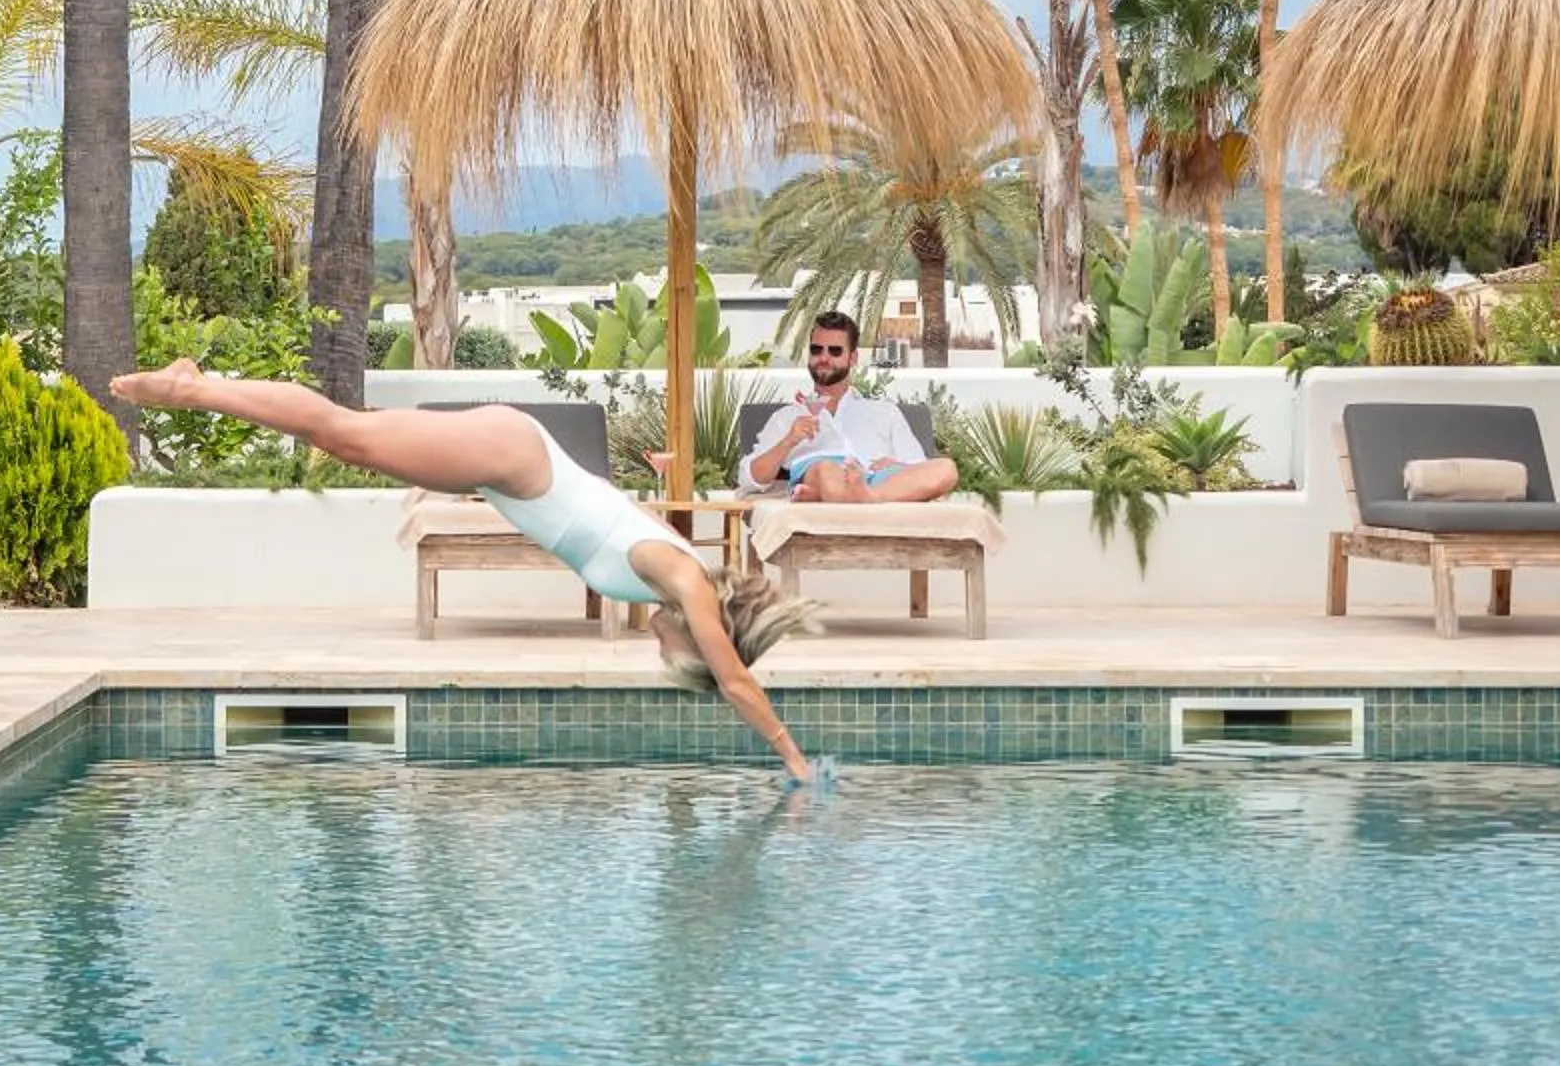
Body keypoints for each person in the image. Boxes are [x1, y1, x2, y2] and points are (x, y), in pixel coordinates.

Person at [112, 360, 824, 782]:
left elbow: (608, 515)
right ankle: (196, 388)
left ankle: (202, 387)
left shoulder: (667, 576)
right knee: (343, 431)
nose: (665, 658)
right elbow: (736, 681)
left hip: (509, 468)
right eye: (682, 661)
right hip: (514, 459)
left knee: (347, 435)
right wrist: (792, 758)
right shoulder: (686, 582)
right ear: (705, 641)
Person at [740, 311, 962, 502]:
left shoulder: (884, 412)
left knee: (946, 468)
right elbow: (750, 479)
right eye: (817, 350)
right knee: (825, 468)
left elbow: (918, 467)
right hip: (824, 475)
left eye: (835, 351)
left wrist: (897, 464)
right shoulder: (788, 417)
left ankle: (866, 498)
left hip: (878, 481)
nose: (824, 358)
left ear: (853, 358)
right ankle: (851, 497)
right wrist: (788, 442)